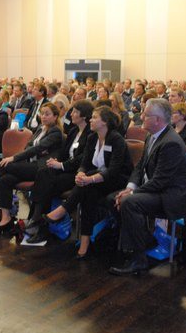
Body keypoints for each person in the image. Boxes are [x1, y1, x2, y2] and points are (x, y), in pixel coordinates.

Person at [108, 99, 186, 276]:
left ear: (157, 120)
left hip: (170, 196)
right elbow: (140, 166)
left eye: (146, 115)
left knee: (129, 202)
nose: (141, 116)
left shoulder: (171, 143)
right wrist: (130, 187)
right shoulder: (152, 135)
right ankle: (143, 241)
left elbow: (161, 181)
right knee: (112, 198)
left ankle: (139, 260)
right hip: (155, 189)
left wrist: (132, 193)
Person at [43, 106, 133, 259]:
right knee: (88, 194)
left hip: (117, 180)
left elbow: (113, 170)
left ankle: (64, 210)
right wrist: (80, 174)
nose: (90, 120)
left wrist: (89, 178)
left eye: (95, 117)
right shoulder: (92, 138)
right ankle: (84, 244)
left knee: (88, 182)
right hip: (96, 181)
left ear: (104, 122)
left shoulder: (116, 139)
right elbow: (84, 163)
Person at [0, 103, 65, 235]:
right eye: (42, 113)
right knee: (6, 179)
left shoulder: (55, 132)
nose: (43, 116)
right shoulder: (41, 129)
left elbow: (37, 148)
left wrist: (14, 158)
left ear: (55, 116)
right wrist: (34, 152)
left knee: (6, 164)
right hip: (32, 164)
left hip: (43, 169)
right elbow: (29, 146)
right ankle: (5, 218)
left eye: (47, 114)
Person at [25, 100, 94, 243]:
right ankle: (37, 220)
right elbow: (64, 153)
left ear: (84, 116)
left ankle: (37, 222)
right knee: (44, 172)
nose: (71, 114)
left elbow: (83, 159)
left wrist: (61, 165)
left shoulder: (91, 134)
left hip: (78, 172)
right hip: (65, 168)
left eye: (75, 112)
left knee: (47, 184)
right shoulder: (74, 131)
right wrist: (55, 161)